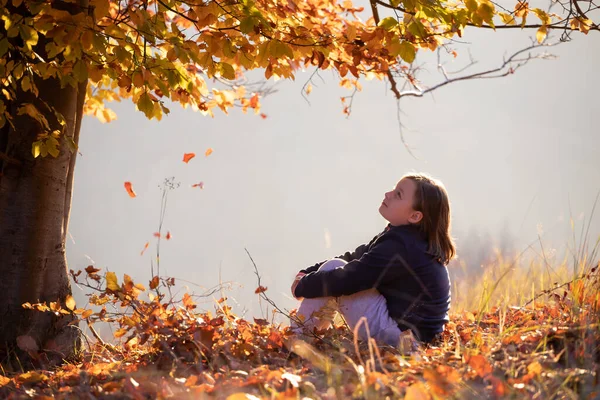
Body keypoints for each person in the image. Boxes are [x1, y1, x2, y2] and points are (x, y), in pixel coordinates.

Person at [290, 173, 456, 347]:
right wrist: (308, 272)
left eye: (398, 194)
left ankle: (297, 338)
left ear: (415, 216)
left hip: (405, 338)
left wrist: (304, 285)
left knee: (335, 269)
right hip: (412, 335)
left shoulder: (402, 246)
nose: (388, 194)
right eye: (394, 189)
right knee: (335, 268)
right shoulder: (408, 239)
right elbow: (357, 256)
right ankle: (304, 335)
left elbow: (352, 278)